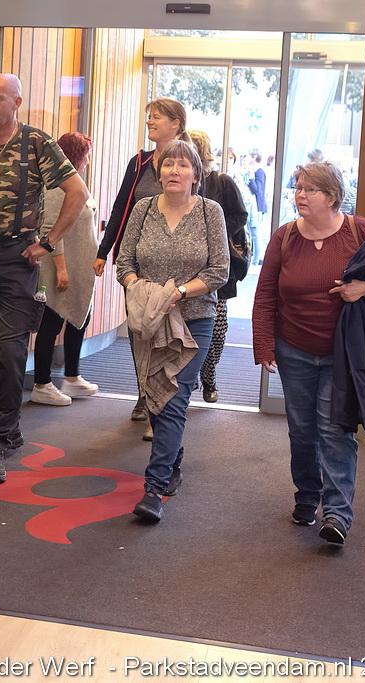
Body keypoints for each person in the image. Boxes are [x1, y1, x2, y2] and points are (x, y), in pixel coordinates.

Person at [0, 73, 90, 484]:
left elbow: (77, 193)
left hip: (18, 259)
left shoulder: (36, 144)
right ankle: (8, 427)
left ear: (17, 103)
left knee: (9, 351)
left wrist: (49, 242)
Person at [252, 162, 365, 545]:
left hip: (342, 353)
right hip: (294, 349)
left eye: (309, 189)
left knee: (335, 429)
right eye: (298, 187)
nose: (300, 195)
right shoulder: (284, 237)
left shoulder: (357, 230)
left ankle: (337, 513)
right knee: (302, 430)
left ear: (331, 197)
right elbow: (265, 294)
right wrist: (264, 345)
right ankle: (307, 496)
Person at [115, 140, 230, 522]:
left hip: (194, 318)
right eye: (168, 165)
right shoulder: (143, 209)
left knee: (175, 397)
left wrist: (177, 293)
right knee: (154, 395)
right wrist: (141, 290)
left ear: (196, 174)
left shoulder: (210, 212)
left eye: (182, 165)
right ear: (159, 172)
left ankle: (154, 487)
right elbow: (124, 263)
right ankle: (173, 461)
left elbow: (219, 271)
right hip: (148, 319)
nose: (174, 171)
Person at [95, 97, 189, 425]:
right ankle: (144, 393)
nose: (150, 122)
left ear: (176, 124)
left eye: (157, 117)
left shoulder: (189, 162)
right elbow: (120, 207)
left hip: (176, 267)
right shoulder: (139, 163)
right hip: (137, 265)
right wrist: (103, 251)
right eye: (149, 117)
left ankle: (166, 395)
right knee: (141, 329)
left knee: (169, 331)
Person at [30, 132, 99, 406]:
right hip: (60, 267)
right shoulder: (57, 186)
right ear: (77, 155)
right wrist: (61, 268)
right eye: (87, 154)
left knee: (79, 317)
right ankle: (42, 383)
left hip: (78, 266)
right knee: (52, 322)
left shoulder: (74, 182)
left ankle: (72, 376)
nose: (89, 160)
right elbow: (49, 230)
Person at [188, 130, 249, 404]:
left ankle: (209, 374)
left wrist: (215, 234)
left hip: (217, 266)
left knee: (217, 328)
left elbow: (240, 215)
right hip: (185, 268)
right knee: (186, 329)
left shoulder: (221, 182)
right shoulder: (180, 186)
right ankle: (188, 380)